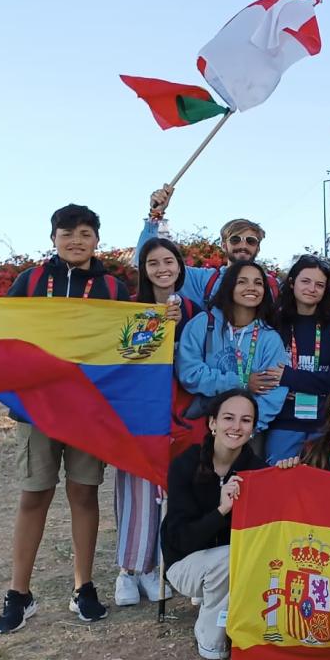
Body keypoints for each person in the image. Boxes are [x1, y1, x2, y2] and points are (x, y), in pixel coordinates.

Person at [0, 203, 131, 634]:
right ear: (53, 238)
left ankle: (83, 587)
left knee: (84, 493)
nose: (76, 240)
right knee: (34, 494)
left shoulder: (113, 288)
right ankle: (19, 592)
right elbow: (3, 331)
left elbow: (131, 341)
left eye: (85, 233)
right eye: (67, 233)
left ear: (97, 240)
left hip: (89, 409)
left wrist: (164, 318)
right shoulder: (32, 281)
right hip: (37, 407)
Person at [111, 237, 193, 608]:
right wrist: (157, 327)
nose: (163, 269)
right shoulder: (131, 309)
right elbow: (126, 356)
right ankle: (130, 568)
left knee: (172, 490)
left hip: (182, 413)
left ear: (180, 266)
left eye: (169, 261)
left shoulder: (194, 309)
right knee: (137, 488)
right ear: (143, 270)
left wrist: (180, 327)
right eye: (153, 263)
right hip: (140, 412)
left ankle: (160, 565)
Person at [162, 389, 265, 660]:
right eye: (228, 418)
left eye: (245, 420)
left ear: (253, 429)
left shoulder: (256, 471)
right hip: (184, 563)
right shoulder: (185, 464)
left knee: (248, 556)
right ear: (212, 423)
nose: (236, 427)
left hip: (233, 568)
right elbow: (180, 539)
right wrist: (221, 510)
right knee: (231, 557)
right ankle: (211, 637)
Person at [176, 260, 288, 438]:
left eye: (258, 283)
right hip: (202, 426)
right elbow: (189, 373)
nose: (251, 287)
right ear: (229, 286)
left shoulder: (270, 338)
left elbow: (273, 392)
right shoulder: (203, 324)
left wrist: (246, 428)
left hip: (248, 433)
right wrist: (242, 382)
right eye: (242, 281)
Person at [263, 255, 330, 463]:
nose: (311, 289)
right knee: (279, 480)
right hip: (283, 422)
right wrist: (316, 382)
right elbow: (265, 372)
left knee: (321, 482)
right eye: (305, 281)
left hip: (323, 423)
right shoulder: (275, 323)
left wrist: (290, 378)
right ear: (292, 283)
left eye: (319, 285)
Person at [141, 184, 275, 310]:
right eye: (235, 240)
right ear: (224, 245)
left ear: (258, 248)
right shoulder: (201, 279)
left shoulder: (272, 285)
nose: (243, 245)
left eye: (251, 241)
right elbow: (146, 259)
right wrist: (156, 213)